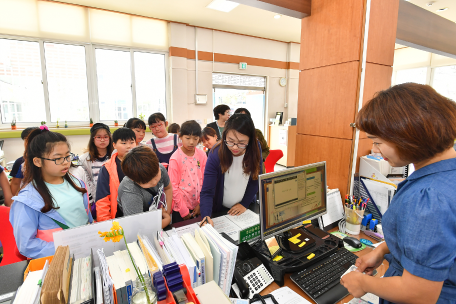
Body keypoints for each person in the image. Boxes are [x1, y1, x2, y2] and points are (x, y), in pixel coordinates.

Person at [340, 83, 456, 304]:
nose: (374, 150)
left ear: (409, 136)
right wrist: (383, 249)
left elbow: (420, 293)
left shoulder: (429, 198)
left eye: (378, 142)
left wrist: (363, 283)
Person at [9, 126, 93, 258]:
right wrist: (69, 248)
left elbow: (86, 219)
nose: (66, 162)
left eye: (67, 156)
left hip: (84, 253)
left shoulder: (77, 183)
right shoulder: (28, 199)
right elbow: (26, 245)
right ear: (37, 161)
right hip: (55, 260)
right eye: (58, 158)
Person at [199, 114, 262, 226]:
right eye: (230, 141)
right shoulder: (216, 154)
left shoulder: (255, 147)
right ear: (224, 136)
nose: (235, 147)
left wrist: (244, 203)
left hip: (245, 208)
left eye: (242, 143)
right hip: (221, 210)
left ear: (250, 140)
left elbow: (256, 178)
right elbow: (207, 191)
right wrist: (206, 216)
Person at [117, 146, 172, 228]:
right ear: (133, 179)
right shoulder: (129, 190)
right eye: (147, 181)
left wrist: (167, 212)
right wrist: (166, 220)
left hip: (158, 218)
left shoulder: (159, 167)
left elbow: (168, 188)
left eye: (156, 175)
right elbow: (137, 227)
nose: (154, 182)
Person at [71, 123, 113, 219]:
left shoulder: (114, 155)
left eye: (106, 137)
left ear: (110, 138)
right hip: (96, 198)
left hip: (114, 195)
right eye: (98, 137)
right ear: (93, 139)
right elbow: (86, 182)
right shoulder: (84, 159)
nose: (102, 140)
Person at [168, 120, 207, 223]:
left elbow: (206, 179)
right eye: (188, 138)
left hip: (198, 206)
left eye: (195, 138)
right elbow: (173, 186)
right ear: (180, 136)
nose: (191, 142)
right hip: (181, 208)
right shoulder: (175, 158)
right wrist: (183, 210)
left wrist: (200, 203)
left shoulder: (202, 155)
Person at [96, 128, 136, 221]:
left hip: (142, 214)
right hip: (119, 217)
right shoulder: (107, 168)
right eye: (124, 143)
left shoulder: (143, 163)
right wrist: (105, 223)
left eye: (132, 142)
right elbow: (102, 200)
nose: (129, 146)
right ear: (114, 145)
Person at [10, 127, 38, 197]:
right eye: (26, 140)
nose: (29, 143)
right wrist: (11, 201)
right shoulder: (20, 162)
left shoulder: (49, 160)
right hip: (27, 197)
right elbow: (15, 183)